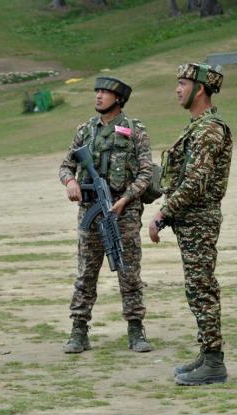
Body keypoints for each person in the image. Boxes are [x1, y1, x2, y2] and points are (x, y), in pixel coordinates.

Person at [149, 63, 232, 386]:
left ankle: (214, 362)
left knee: (202, 289)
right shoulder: (197, 127)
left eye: (183, 83)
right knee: (196, 289)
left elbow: (196, 182)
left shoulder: (209, 129)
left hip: (199, 219)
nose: (177, 89)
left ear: (199, 89)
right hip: (191, 219)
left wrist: (163, 213)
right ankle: (206, 353)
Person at [59, 76, 153, 354]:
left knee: (128, 271)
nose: (98, 96)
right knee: (86, 273)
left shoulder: (135, 130)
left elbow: (146, 173)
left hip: (124, 213)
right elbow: (66, 166)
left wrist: (125, 198)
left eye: (105, 92)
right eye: (97, 91)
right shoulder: (85, 130)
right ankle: (79, 330)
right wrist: (70, 182)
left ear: (118, 99)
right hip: (90, 211)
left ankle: (135, 329)